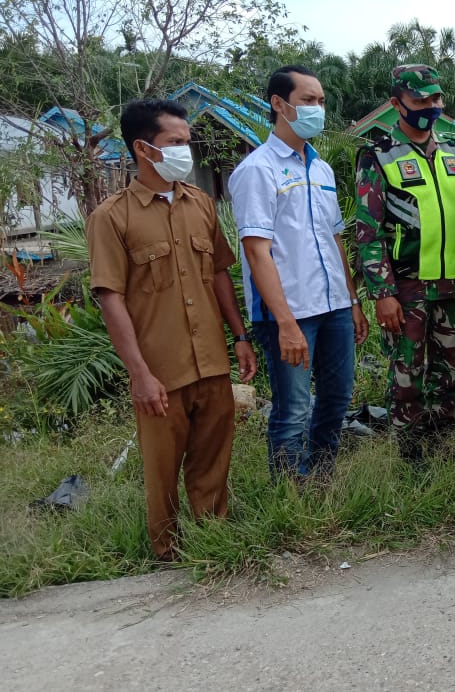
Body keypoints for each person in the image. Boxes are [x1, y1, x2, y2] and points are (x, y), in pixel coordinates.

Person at [87, 99, 258, 561]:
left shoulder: (199, 203)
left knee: (213, 458)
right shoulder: (112, 217)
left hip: (211, 359)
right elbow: (110, 298)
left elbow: (219, 274)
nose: (185, 150)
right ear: (143, 148)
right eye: (175, 142)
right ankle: (167, 552)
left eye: (186, 141)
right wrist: (139, 374)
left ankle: (212, 542)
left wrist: (240, 337)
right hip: (160, 369)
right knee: (162, 468)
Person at [229, 65, 368, 481]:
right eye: (308, 100)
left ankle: (321, 478)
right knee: (293, 409)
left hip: (334, 306)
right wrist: (286, 323)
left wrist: (353, 300)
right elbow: (257, 252)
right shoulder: (258, 170)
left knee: (337, 397)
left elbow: (335, 240)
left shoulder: (321, 169)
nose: (317, 109)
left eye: (321, 101)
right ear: (279, 104)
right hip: (289, 313)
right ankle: (289, 491)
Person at [355, 64, 455, 464]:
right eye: (420, 99)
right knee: (407, 373)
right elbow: (368, 231)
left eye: (436, 98)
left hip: (453, 283)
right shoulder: (378, 155)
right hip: (406, 286)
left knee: (454, 367)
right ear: (397, 104)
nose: (431, 106)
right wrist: (382, 293)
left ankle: (442, 438)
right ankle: (408, 449)